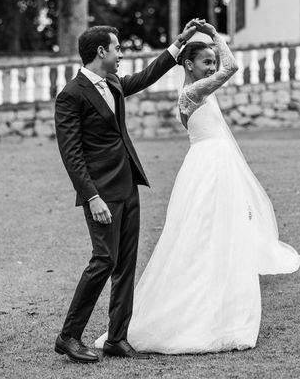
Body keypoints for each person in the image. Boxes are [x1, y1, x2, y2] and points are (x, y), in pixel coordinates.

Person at [95, 22, 300, 354]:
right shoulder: (194, 92)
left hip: (213, 165)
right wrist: (213, 34)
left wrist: (198, 41)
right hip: (208, 168)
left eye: (212, 62)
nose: (213, 66)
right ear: (189, 65)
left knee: (221, 234)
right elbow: (232, 66)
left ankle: (220, 309)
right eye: (207, 61)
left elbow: (223, 68)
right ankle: (200, 314)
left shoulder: (197, 89)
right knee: (202, 236)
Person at [53, 20, 200, 363]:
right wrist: (91, 197)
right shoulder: (71, 95)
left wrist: (177, 46)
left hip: (127, 184)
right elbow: (71, 154)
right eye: (117, 48)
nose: (121, 54)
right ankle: (69, 336)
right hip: (101, 194)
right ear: (100, 51)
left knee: (125, 265)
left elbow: (147, 76)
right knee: (103, 259)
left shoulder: (114, 83)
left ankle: (117, 338)